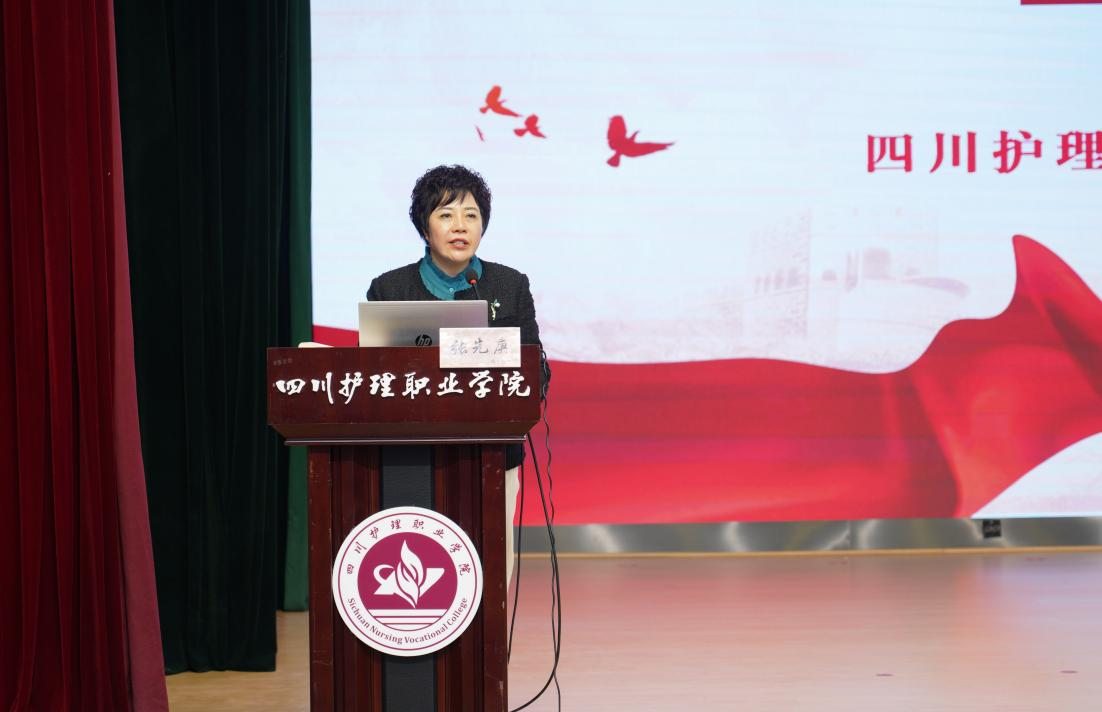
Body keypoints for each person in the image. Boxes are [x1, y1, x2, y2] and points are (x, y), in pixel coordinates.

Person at [366, 164, 548, 585]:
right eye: (446, 214)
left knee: (490, 569)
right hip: (410, 458)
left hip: (492, 454)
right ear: (424, 227)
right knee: (425, 570)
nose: (460, 226)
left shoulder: (508, 286)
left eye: (471, 215)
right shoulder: (390, 290)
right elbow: (374, 378)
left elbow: (536, 370)